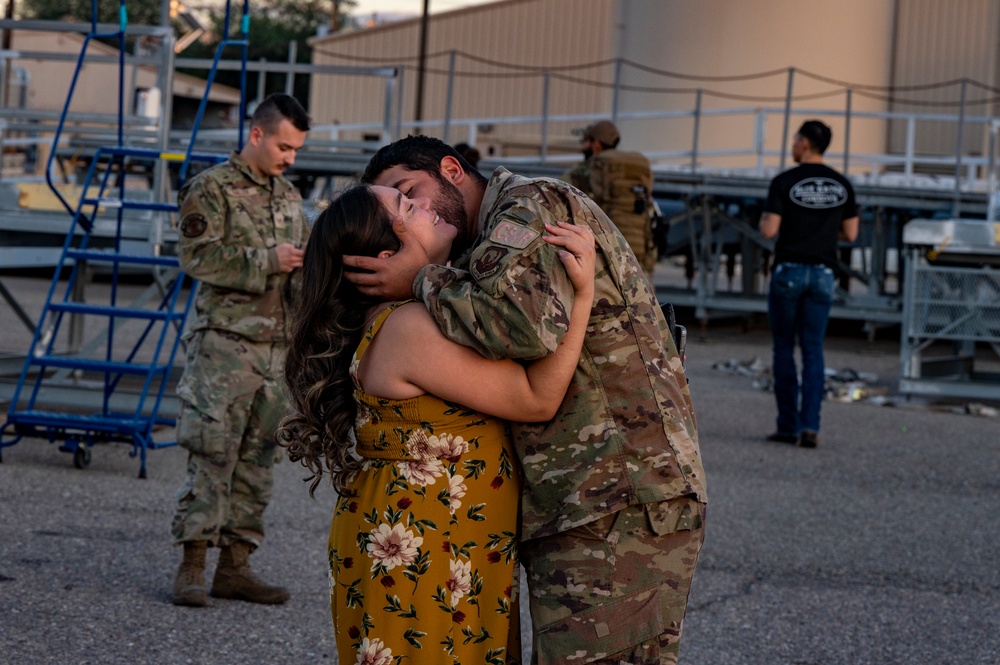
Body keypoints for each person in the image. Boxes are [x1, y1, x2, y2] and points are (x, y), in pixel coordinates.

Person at [345, 135, 707, 665]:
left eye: (410, 190)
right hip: (587, 491)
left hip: (618, 489)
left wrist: (419, 277)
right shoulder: (484, 237)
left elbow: (519, 327)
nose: (415, 211)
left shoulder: (528, 206)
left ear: (451, 169)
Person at [278, 184, 596, 665]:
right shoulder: (408, 326)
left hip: (446, 540)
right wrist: (585, 292)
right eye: (408, 205)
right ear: (388, 253)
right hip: (427, 547)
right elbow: (535, 398)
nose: (427, 204)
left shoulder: (415, 313)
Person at [170, 93, 311, 607]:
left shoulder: (290, 197)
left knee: (258, 461)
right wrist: (266, 259)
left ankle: (236, 566)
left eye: (296, 149)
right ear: (256, 134)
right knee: (212, 455)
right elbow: (196, 257)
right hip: (225, 347)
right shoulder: (210, 189)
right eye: (283, 145)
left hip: (276, 349)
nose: (289, 157)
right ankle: (191, 566)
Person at [760, 119, 859, 449]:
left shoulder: (784, 181)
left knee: (784, 348)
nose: (792, 144)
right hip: (822, 273)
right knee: (814, 349)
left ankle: (787, 425)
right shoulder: (842, 184)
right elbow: (852, 233)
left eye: (794, 139)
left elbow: (769, 230)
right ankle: (810, 426)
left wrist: (766, 218)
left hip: (788, 270)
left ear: (804, 143)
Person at [562, 119, 658, 275]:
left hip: (604, 253)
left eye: (586, 142)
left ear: (597, 144)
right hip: (637, 254)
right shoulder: (632, 173)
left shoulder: (585, 172)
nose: (583, 147)